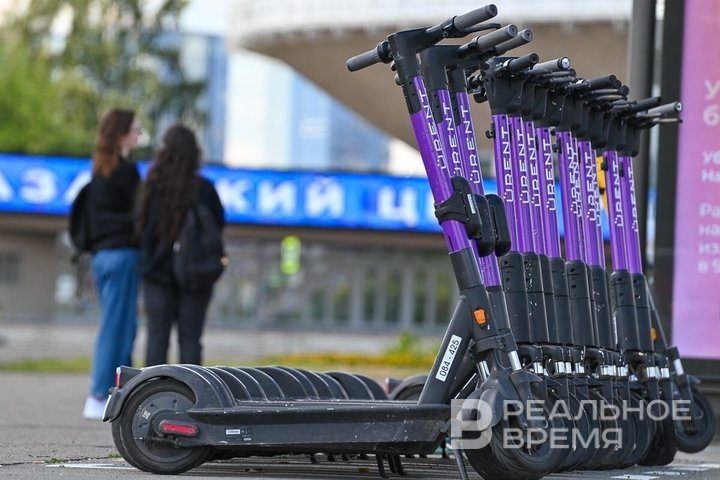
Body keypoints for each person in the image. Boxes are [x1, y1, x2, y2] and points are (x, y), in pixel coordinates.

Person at [137, 124, 225, 366]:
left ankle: (153, 396)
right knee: (191, 339)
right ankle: (194, 399)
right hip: (196, 274)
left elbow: (140, 228)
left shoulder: (151, 186)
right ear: (195, 153)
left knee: (156, 336)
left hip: (156, 272)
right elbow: (217, 228)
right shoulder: (205, 189)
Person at [82, 108, 142, 420]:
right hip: (123, 256)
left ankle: (118, 393)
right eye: (136, 129)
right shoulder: (127, 172)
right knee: (118, 327)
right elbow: (139, 216)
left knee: (122, 325)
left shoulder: (98, 170)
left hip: (102, 257)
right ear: (122, 134)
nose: (139, 134)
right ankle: (100, 394)